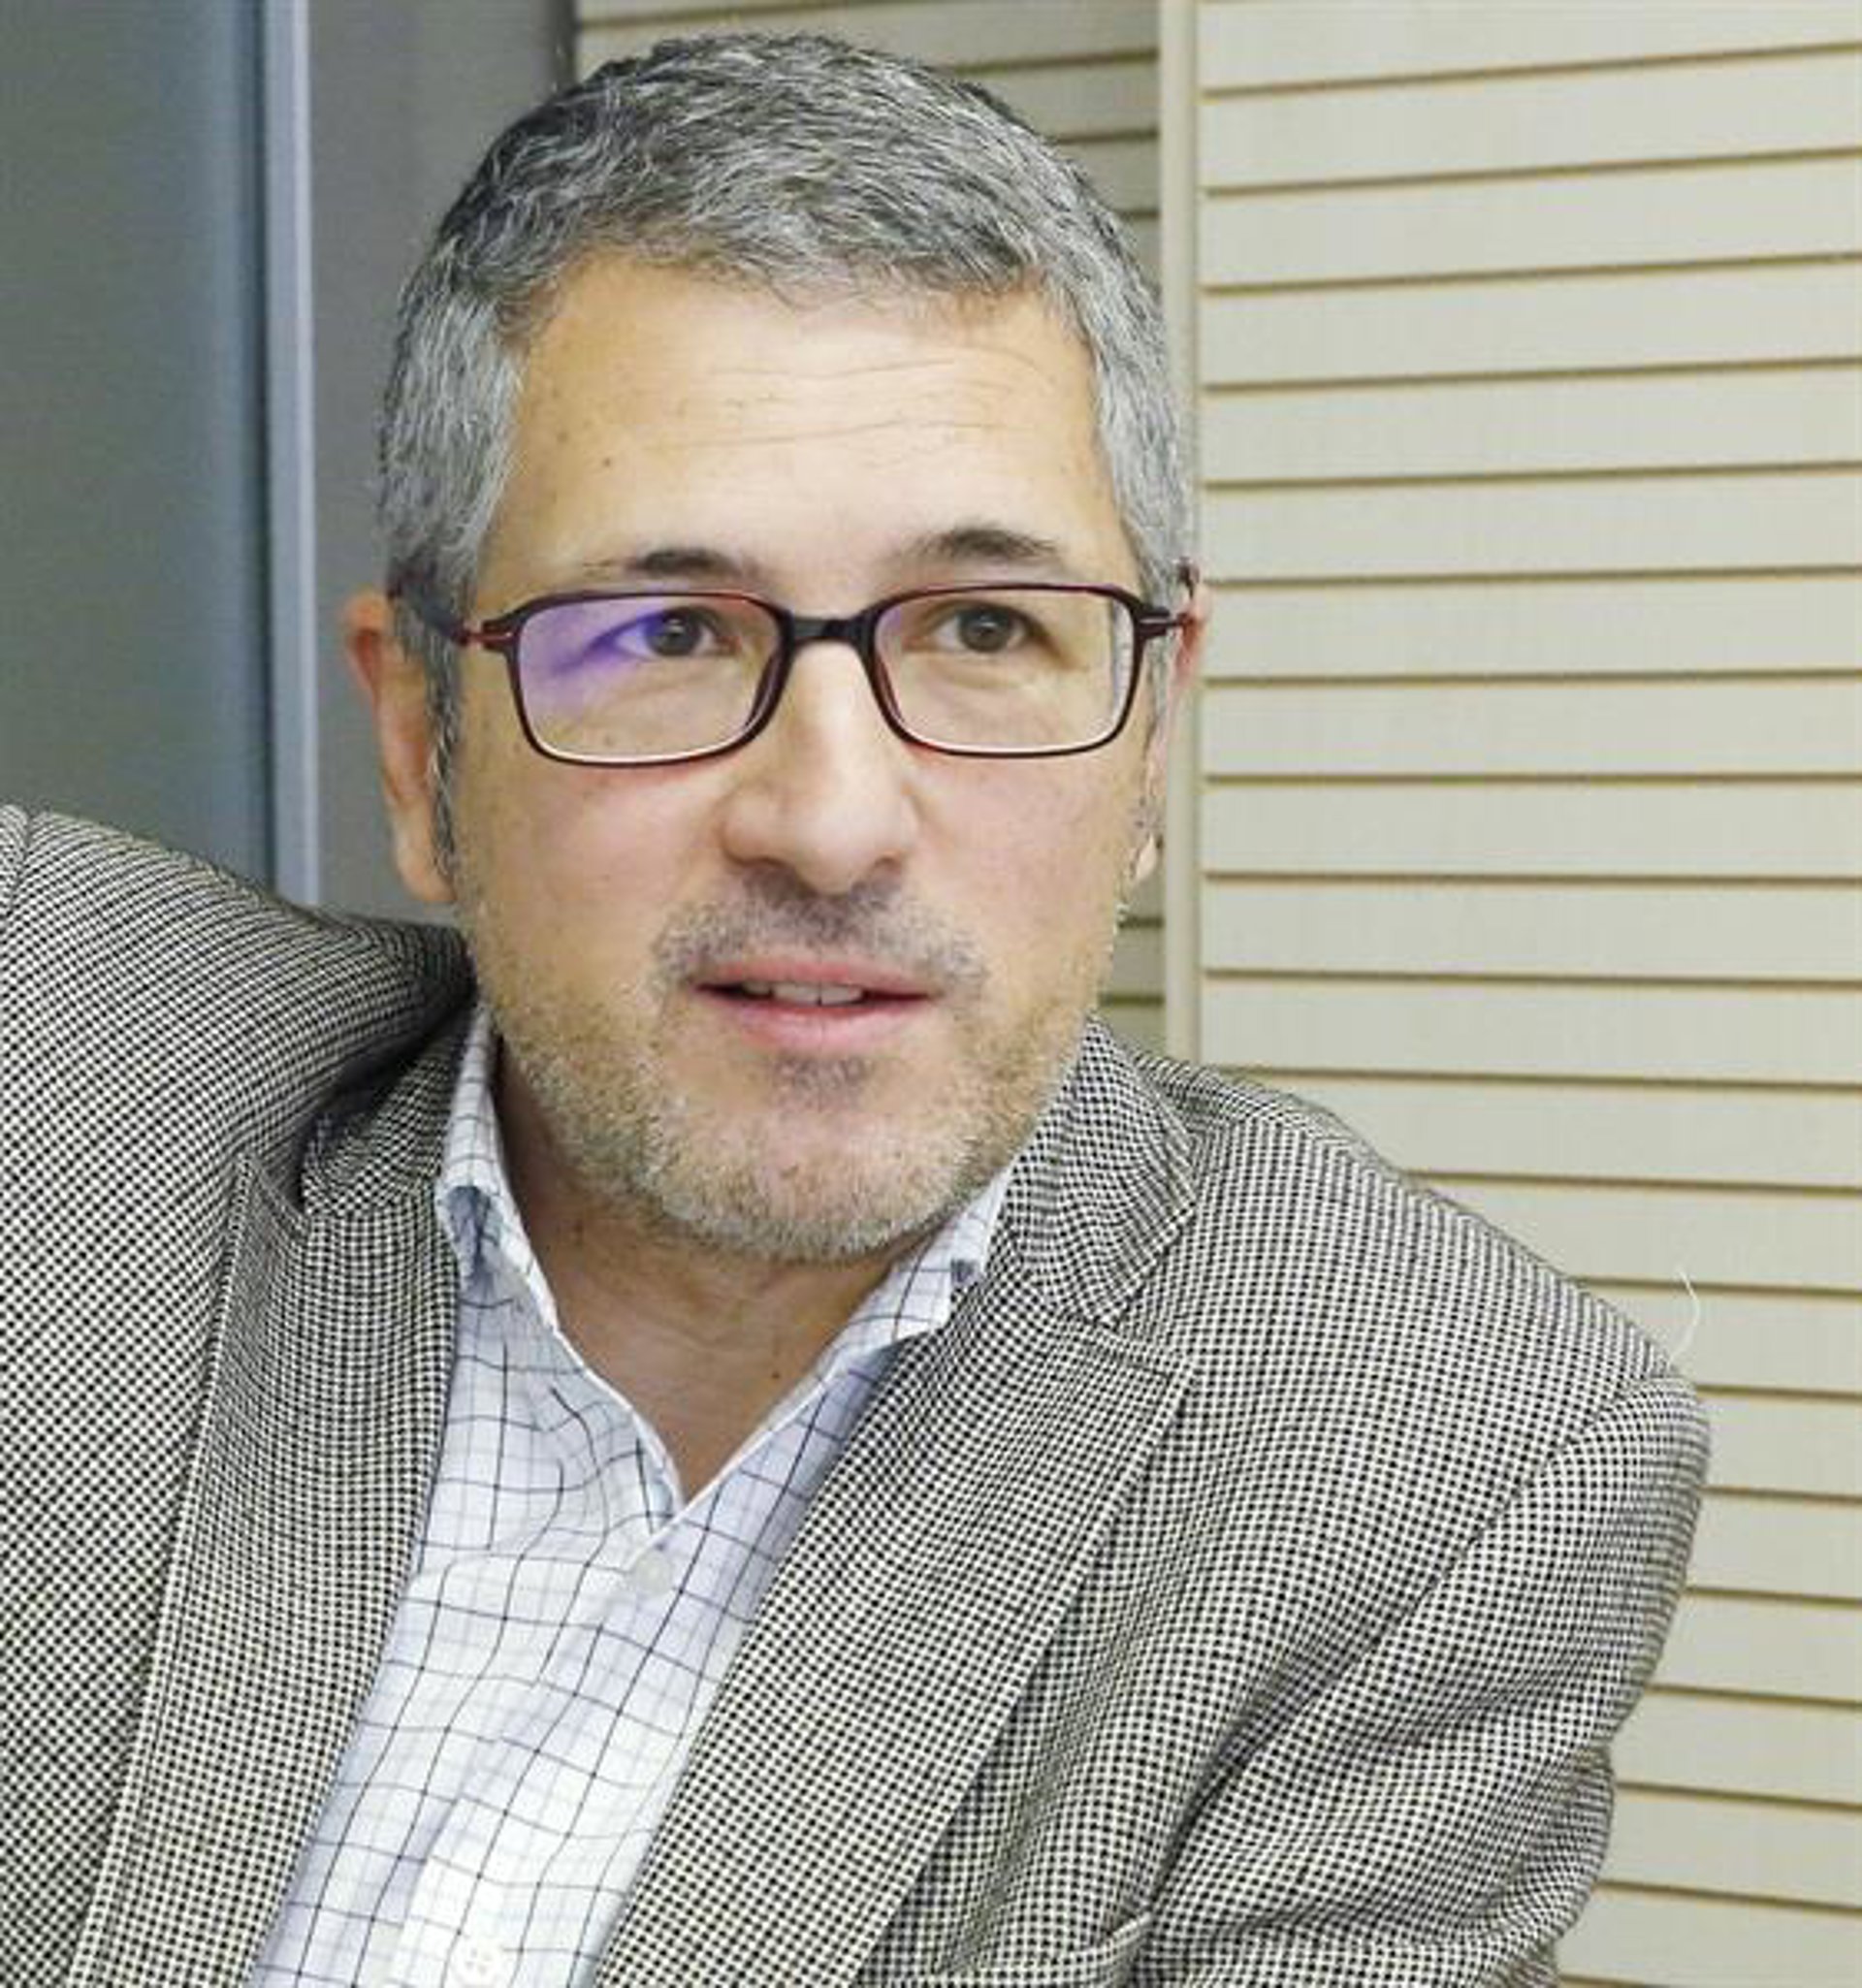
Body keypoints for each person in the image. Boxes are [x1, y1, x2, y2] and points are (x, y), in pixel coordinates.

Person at [2, 33, 1705, 1988]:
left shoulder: (1438, 1465)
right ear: (420, 745)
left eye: (986, 628)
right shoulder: (48, 1054)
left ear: (1151, 736)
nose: (830, 819)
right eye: (663, 631)